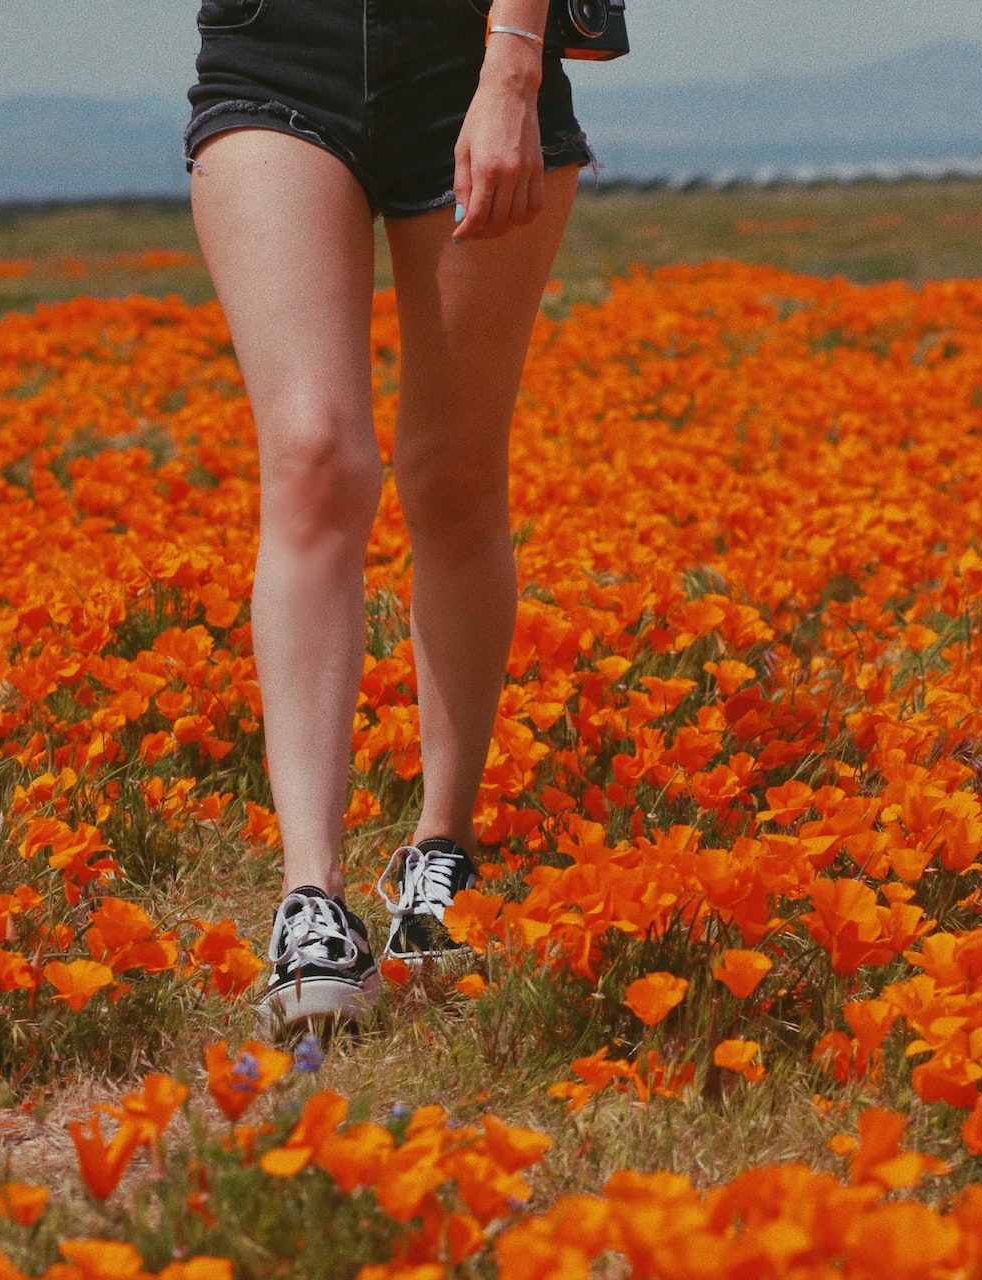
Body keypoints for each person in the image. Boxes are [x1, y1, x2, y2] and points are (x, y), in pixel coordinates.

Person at [183, 0, 594, 1028]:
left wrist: (513, 72)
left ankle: (438, 851)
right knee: (316, 453)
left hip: (475, 49)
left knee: (452, 472)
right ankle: (309, 896)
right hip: (275, 44)